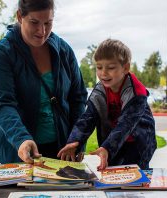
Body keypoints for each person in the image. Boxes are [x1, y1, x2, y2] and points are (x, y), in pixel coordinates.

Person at [0, 0, 87, 164]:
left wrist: (77, 140)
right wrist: (21, 139)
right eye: (34, 22)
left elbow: (78, 98)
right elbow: (3, 104)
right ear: (20, 16)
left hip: (61, 151)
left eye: (48, 23)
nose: (42, 31)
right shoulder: (1, 55)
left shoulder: (64, 51)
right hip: (18, 152)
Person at [58, 39, 157, 170]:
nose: (103, 73)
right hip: (114, 142)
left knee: (134, 178)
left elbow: (126, 125)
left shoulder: (136, 92)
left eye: (110, 68)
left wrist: (107, 147)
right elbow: (88, 118)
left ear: (125, 68)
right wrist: (75, 141)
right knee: (111, 176)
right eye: (99, 67)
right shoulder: (101, 90)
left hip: (138, 144)